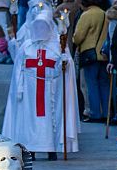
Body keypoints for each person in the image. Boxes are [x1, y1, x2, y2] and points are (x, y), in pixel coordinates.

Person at [4, 15, 77, 157]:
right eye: (37, 26)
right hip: (30, 91)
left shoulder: (58, 45)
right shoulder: (27, 46)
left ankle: (52, 149)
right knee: (30, 118)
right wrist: (19, 88)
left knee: (51, 119)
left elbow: (64, 70)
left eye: (43, 26)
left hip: (51, 90)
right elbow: (18, 68)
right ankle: (30, 147)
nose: (40, 30)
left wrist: (64, 62)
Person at [71, 0, 110, 122]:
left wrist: (72, 39)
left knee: (90, 84)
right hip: (103, 54)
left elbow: (78, 37)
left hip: (89, 54)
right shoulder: (105, 14)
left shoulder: (86, 15)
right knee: (104, 84)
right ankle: (106, 113)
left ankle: (94, 113)